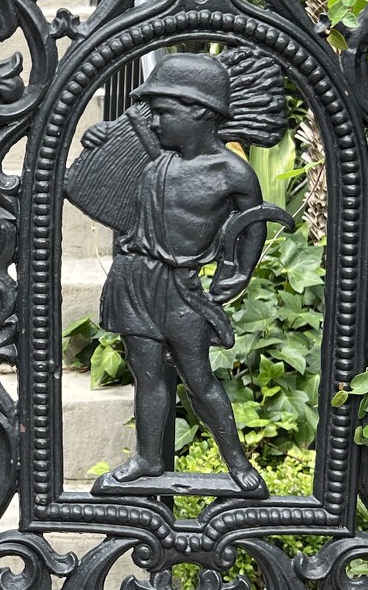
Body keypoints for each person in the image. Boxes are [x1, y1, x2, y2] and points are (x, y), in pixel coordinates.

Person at [79, 53, 270, 495]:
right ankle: (148, 458)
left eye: (165, 111)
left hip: (181, 286)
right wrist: (101, 134)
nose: (157, 121)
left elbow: (254, 222)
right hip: (134, 276)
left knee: (198, 377)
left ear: (200, 112)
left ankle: (237, 462)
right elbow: (125, 134)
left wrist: (239, 271)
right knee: (146, 373)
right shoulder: (157, 155)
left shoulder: (232, 172)